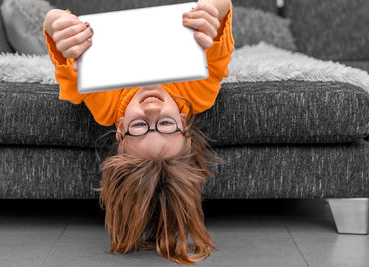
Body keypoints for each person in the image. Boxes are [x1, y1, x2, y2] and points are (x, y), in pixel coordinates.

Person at [43, 0, 234, 264]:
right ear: (184, 126)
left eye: (140, 126)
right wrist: (212, 11)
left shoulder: (103, 103)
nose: (152, 110)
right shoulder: (198, 92)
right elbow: (224, 5)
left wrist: (58, 25)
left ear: (120, 130)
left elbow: (54, 27)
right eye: (166, 125)